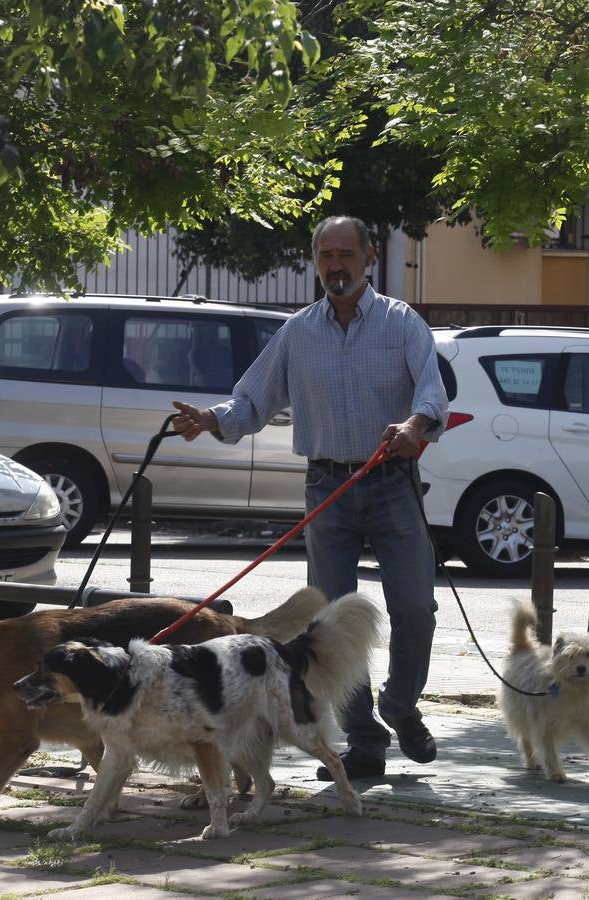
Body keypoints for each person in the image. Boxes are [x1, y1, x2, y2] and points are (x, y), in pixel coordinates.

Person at [170, 215, 449, 781]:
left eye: (346, 255)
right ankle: (365, 741)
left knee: (416, 607)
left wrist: (413, 425)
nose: (336, 266)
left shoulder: (401, 324)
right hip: (328, 487)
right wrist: (209, 420)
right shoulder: (298, 332)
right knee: (330, 626)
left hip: (392, 483)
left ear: (368, 258)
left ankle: (400, 706)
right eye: (326, 256)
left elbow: (432, 392)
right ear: (316, 262)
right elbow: (251, 401)